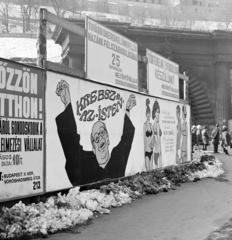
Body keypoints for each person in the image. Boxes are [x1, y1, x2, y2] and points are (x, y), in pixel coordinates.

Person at [55, 80, 136, 186]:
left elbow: (127, 139)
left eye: (102, 133)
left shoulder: (117, 158)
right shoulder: (85, 163)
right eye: (96, 138)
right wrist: (67, 103)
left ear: (108, 138)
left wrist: (128, 110)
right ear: (93, 146)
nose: (100, 138)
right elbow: (71, 147)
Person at [144, 99, 154, 171]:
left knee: (151, 168)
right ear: (146, 114)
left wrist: (152, 145)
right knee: (147, 168)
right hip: (147, 150)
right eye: (147, 113)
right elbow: (144, 138)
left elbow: (153, 137)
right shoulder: (145, 125)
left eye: (149, 113)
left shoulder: (151, 125)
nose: (148, 115)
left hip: (151, 149)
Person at [152, 100, 162, 168]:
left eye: (159, 112)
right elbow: (154, 139)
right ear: (154, 113)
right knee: (157, 168)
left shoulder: (158, 124)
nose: (158, 114)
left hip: (159, 151)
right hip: (156, 152)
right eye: (157, 112)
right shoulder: (155, 124)